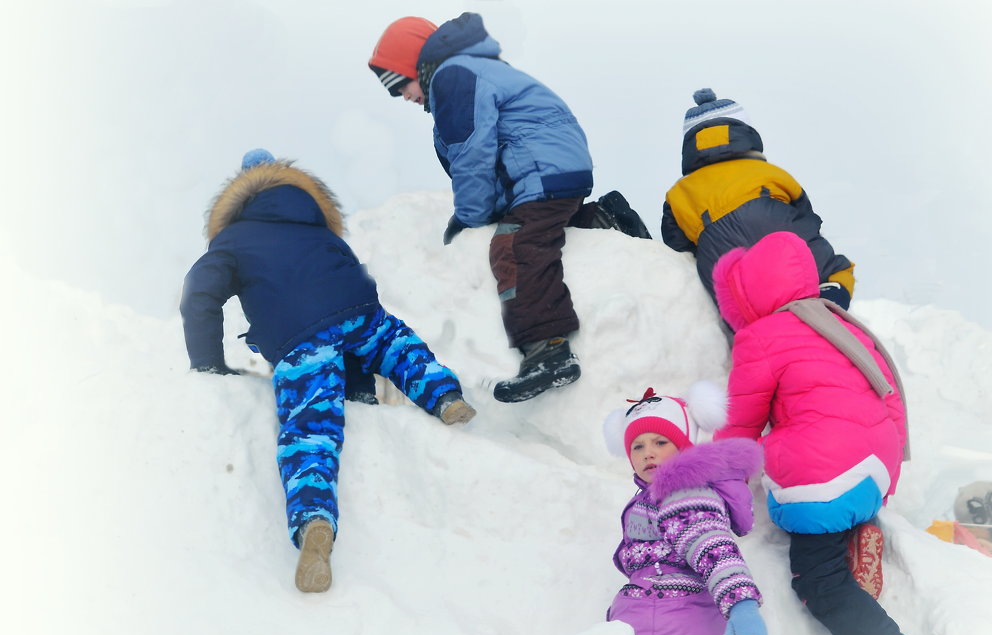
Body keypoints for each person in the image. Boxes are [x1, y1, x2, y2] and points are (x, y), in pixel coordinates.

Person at [180, 149, 476, 593]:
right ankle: (444, 396)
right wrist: (357, 389)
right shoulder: (319, 229)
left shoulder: (234, 240)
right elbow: (339, 287)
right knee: (397, 346)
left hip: (302, 338)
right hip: (360, 310)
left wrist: (207, 364)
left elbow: (199, 297)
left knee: (310, 431)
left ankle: (315, 520)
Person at [368, 12, 651, 404]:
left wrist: (471, 216)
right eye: (394, 92)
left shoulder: (453, 76)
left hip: (541, 170)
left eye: (402, 84)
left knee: (514, 247)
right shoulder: (469, 70)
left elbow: (473, 155)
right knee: (537, 227)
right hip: (551, 168)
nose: (404, 96)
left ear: (418, 65)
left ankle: (547, 350)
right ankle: (604, 219)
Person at [711, 231, 913, 635]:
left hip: (825, 474)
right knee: (835, 488)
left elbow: (741, 423)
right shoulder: (839, 323)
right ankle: (860, 528)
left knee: (817, 579)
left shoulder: (760, 337)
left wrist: (717, 476)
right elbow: (891, 398)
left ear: (744, 297)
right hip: (876, 465)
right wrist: (889, 476)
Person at [601, 382, 768, 635]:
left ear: (683, 446)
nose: (648, 453)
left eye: (660, 442)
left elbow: (712, 547)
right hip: (661, 623)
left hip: (673, 627)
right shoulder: (651, 497)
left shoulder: (683, 493)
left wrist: (741, 603)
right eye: (637, 446)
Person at [661, 89, 856, 310]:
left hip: (725, 260)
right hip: (782, 233)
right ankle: (830, 299)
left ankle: (752, 324)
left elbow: (676, 244)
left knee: (738, 306)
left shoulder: (679, 192)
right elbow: (805, 213)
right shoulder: (769, 172)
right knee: (837, 272)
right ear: (746, 132)